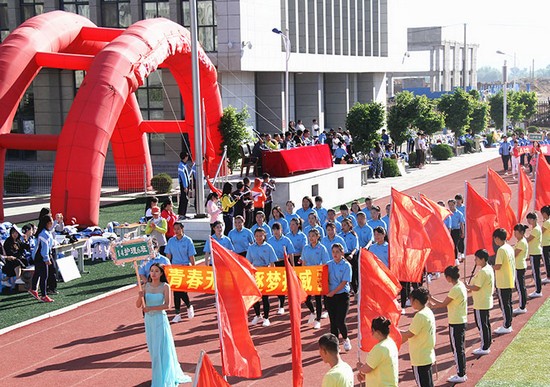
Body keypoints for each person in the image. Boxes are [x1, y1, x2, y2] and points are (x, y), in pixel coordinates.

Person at [136, 263, 192, 386]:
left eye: (156, 271)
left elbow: (167, 305)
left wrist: (151, 308)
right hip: (149, 322)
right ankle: (159, 375)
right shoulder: (146, 286)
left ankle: (161, 379)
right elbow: (138, 305)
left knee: (160, 350)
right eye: (151, 271)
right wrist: (140, 297)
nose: (153, 273)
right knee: (152, 349)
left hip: (160, 320)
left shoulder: (165, 286)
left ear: (161, 273)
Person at [429, 266, 468, 384]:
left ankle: (460, 373)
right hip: (461, 320)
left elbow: (443, 304)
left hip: (456, 322)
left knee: (457, 349)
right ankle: (462, 372)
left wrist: (432, 302)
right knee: (459, 348)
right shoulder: (460, 286)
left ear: (449, 277)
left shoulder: (455, 289)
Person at [400, 287, 436, 387]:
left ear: (415, 300)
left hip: (420, 357)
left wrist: (394, 331)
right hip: (426, 354)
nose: (410, 302)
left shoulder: (420, 316)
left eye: (411, 299)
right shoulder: (427, 311)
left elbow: (409, 334)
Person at [164, 222, 196, 322]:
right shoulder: (171, 241)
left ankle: (187, 306)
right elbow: (168, 256)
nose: (176, 231)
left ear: (182, 229)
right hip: (174, 269)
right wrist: (167, 268)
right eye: (175, 229)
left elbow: (191, 256)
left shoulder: (188, 241)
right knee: (176, 291)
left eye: (178, 229)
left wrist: (193, 268)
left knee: (181, 290)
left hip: (185, 268)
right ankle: (179, 312)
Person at [465, 249, 494, 356]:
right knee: (485, 324)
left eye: (476, 259)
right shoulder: (487, 268)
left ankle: (484, 346)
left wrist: (467, 286)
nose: (475, 260)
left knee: (482, 325)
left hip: (481, 302)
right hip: (484, 300)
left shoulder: (483, 271)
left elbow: (477, 287)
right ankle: (487, 343)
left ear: (482, 259)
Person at [247, 228, 278, 327]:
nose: (258, 238)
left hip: (265, 273)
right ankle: (257, 314)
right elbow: (248, 262)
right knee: (255, 296)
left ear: (264, 236)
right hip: (255, 274)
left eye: (261, 236)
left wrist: (271, 274)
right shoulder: (251, 248)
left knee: (265, 297)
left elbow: (272, 262)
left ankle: (266, 318)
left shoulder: (268, 247)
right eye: (256, 236)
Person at [356, 317, 399, 387]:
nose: (371, 333)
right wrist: (367, 377)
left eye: (372, 331)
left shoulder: (380, 348)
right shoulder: (391, 342)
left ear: (378, 332)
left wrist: (359, 366)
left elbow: (366, 369)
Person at [326, 243, 353, 351]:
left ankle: (345, 338)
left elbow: (344, 282)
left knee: (340, 321)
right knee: (333, 321)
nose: (335, 254)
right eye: (333, 252)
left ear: (342, 252)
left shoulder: (346, 265)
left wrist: (333, 292)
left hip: (342, 295)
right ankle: (335, 344)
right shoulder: (328, 265)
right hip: (330, 296)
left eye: (337, 252)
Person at [302, 229, 330, 329]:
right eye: (310, 236)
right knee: (306, 298)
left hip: (318, 274)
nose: (311, 238)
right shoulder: (306, 248)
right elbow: (303, 261)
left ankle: (318, 319)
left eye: (313, 236)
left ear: (318, 236)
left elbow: (325, 262)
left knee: (318, 299)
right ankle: (312, 312)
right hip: (308, 275)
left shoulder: (322, 248)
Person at [267, 222, 295, 315]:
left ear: (281, 230)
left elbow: (290, 253)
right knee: (278, 284)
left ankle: (283, 305)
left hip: (284, 263)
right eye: (274, 230)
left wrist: (293, 265)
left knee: (284, 284)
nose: (276, 232)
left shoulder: (286, 240)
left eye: (277, 229)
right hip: (274, 263)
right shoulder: (270, 240)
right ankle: (281, 302)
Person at [493, 228, 515, 334]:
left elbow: (498, 266)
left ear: (497, 238)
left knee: (504, 304)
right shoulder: (509, 247)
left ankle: (507, 325)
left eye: (495, 239)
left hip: (503, 281)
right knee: (508, 303)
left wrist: (489, 267)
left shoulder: (501, 250)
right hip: (509, 279)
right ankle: (508, 323)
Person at [29, 215, 56, 302]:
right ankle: (44, 295)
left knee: (37, 273)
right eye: (51, 222)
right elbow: (44, 248)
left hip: (38, 256)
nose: (52, 223)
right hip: (41, 257)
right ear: (48, 223)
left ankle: (33, 289)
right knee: (44, 276)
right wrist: (46, 258)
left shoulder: (44, 232)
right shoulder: (44, 234)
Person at [511, 224, 528, 315]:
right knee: (520, 286)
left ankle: (522, 306)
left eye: (516, 232)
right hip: (519, 266)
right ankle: (522, 305)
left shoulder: (521, 242)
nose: (515, 234)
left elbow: (514, 254)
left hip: (519, 266)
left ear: (521, 233)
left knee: (520, 287)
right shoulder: (520, 241)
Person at [339, 218, 359, 294]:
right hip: (342, 256)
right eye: (342, 225)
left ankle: (356, 291)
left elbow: (355, 247)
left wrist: (351, 254)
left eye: (345, 225)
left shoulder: (353, 235)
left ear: (349, 225)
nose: (343, 227)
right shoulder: (340, 235)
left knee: (353, 275)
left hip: (351, 256)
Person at [526, 212, 544, 298]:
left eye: (529, 219)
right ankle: (538, 289)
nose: (528, 221)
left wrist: (522, 235)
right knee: (536, 272)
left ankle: (538, 290)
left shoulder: (536, 229)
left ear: (533, 220)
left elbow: (528, 239)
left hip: (535, 253)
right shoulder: (535, 228)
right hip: (535, 252)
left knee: (536, 272)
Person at [177, 152, 192, 219]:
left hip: (186, 184)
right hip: (183, 185)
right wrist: (185, 186)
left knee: (185, 199)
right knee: (184, 199)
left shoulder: (184, 165)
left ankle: (183, 213)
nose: (187, 157)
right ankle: (181, 213)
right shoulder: (181, 166)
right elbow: (183, 177)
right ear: (185, 157)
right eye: (187, 156)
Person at [542, 205, 550, 285]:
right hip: (548, 242)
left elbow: (541, 232)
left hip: (546, 243)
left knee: (547, 261)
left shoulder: (546, 222)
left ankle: (549, 276)